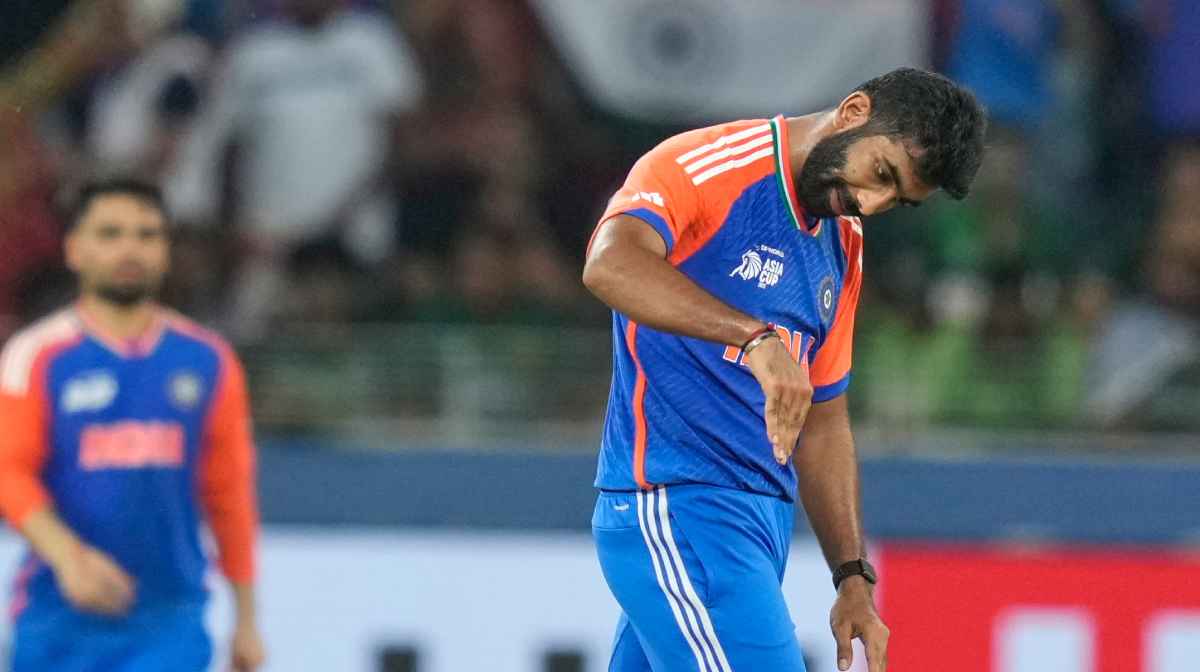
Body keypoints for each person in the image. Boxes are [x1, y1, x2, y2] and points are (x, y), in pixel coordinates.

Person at [582, 67, 986, 672]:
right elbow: (609, 265)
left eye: (896, 201)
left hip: (756, 524)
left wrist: (852, 576)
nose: (872, 204)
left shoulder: (842, 242)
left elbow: (823, 420)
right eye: (881, 174)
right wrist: (753, 338)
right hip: (680, 507)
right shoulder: (709, 165)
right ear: (854, 111)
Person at [0, 178, 265, 671]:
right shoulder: (36, 356)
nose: (130, 249)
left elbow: (230, 492)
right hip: (59, 616)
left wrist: (247, 618)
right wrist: (69, 558)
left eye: (147, 235)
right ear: (75, 249)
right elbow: (9, 473)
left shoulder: (207, 360)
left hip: (169, 619)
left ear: (166, 250)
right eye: (111, 233)